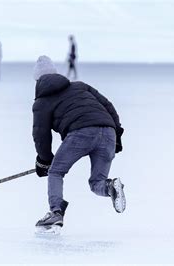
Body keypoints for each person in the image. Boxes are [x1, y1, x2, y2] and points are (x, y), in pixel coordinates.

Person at [32, 55, 125, 231]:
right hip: (108, 132)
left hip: (80, 134)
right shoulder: (81, 86)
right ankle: (111, 187)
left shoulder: (41, 103)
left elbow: (40, 134)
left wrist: (44, 161)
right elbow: (109, 106)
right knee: (97, 181)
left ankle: (55, 213)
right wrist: (117, 136)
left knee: (56, 172)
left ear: (37, 80)